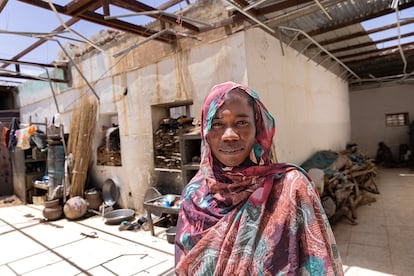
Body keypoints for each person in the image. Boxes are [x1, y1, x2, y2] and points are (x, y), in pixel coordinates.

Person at [175, 81, 343, 275]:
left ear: (258, 129)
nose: (229, 135)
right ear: (205, 132)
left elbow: (319, 265)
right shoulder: (193, 195)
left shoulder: (290, 188)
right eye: (217, 123)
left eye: (242, 122)